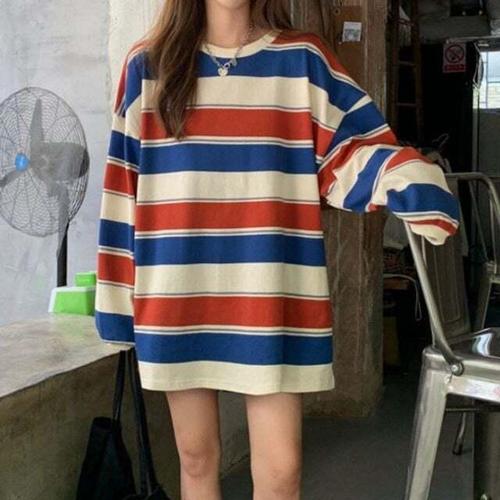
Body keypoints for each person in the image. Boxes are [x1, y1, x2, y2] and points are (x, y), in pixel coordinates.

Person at [94, 1, 460, 498]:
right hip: (178, 291)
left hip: (270, 291)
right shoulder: (149, 65)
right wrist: (117, 307)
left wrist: (407, 179)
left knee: (282, 471)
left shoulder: (302, 60)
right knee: (196, 457)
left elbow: (352, 149)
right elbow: (122, 189)